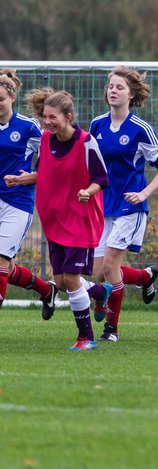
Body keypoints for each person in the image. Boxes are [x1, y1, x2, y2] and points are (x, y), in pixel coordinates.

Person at [20, 88, 113, 350]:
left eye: (53, 118)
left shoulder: (86, 142)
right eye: (45, 118)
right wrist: (21, 179)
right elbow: (44, 173)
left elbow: (102, 179)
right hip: (54, 221)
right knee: (60, 282)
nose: (47, 122)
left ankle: (86, 337)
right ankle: (98, 291)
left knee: (71, 280)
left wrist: (87, 191)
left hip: (80, 222)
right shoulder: (46, 141)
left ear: (68, 116)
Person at [88, 67, 158, 343]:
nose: (113, 90)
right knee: (98, 273)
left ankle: (111, 329)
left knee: (110, 267)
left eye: (119, 87)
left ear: (131, 94)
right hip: (102, 206)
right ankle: (145, 277)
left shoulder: (141, 129)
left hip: (129, 207)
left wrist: (143, 194)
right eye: (111, 86)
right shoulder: (97, 125)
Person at [0, 70, 57, 317]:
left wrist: (27, 178)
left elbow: (51, 165)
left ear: (12, 97)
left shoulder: (29, 127)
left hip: (17, 203)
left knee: (1, 263)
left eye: (0, 99)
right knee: (7, 268)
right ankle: (47, 291)